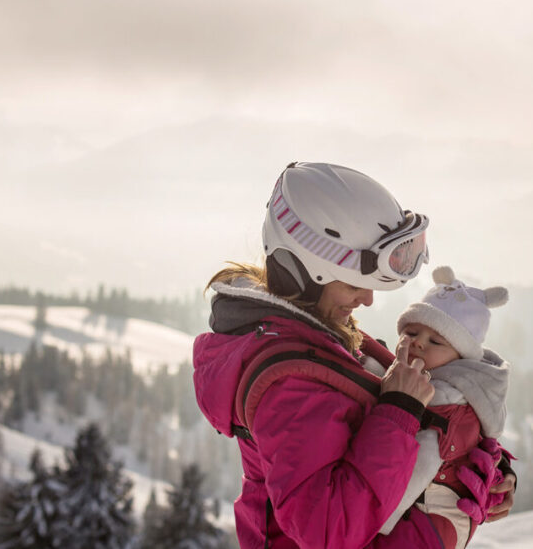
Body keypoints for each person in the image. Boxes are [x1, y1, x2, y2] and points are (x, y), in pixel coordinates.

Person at [192, 162, 515, 548]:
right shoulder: (291, 383)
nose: (368, 299)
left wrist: (481, 469)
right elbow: (328, 530)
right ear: (306, 275)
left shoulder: (320, 338)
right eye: (353, 286)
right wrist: (399, 409)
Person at [363, 266, 513, 549]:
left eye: (435, 341)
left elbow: (424, 459)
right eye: (411, 331)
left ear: (458, 358)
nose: (418, 343)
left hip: (432, 521)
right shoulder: (422, 374)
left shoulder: (445, 398)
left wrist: (376, 520)